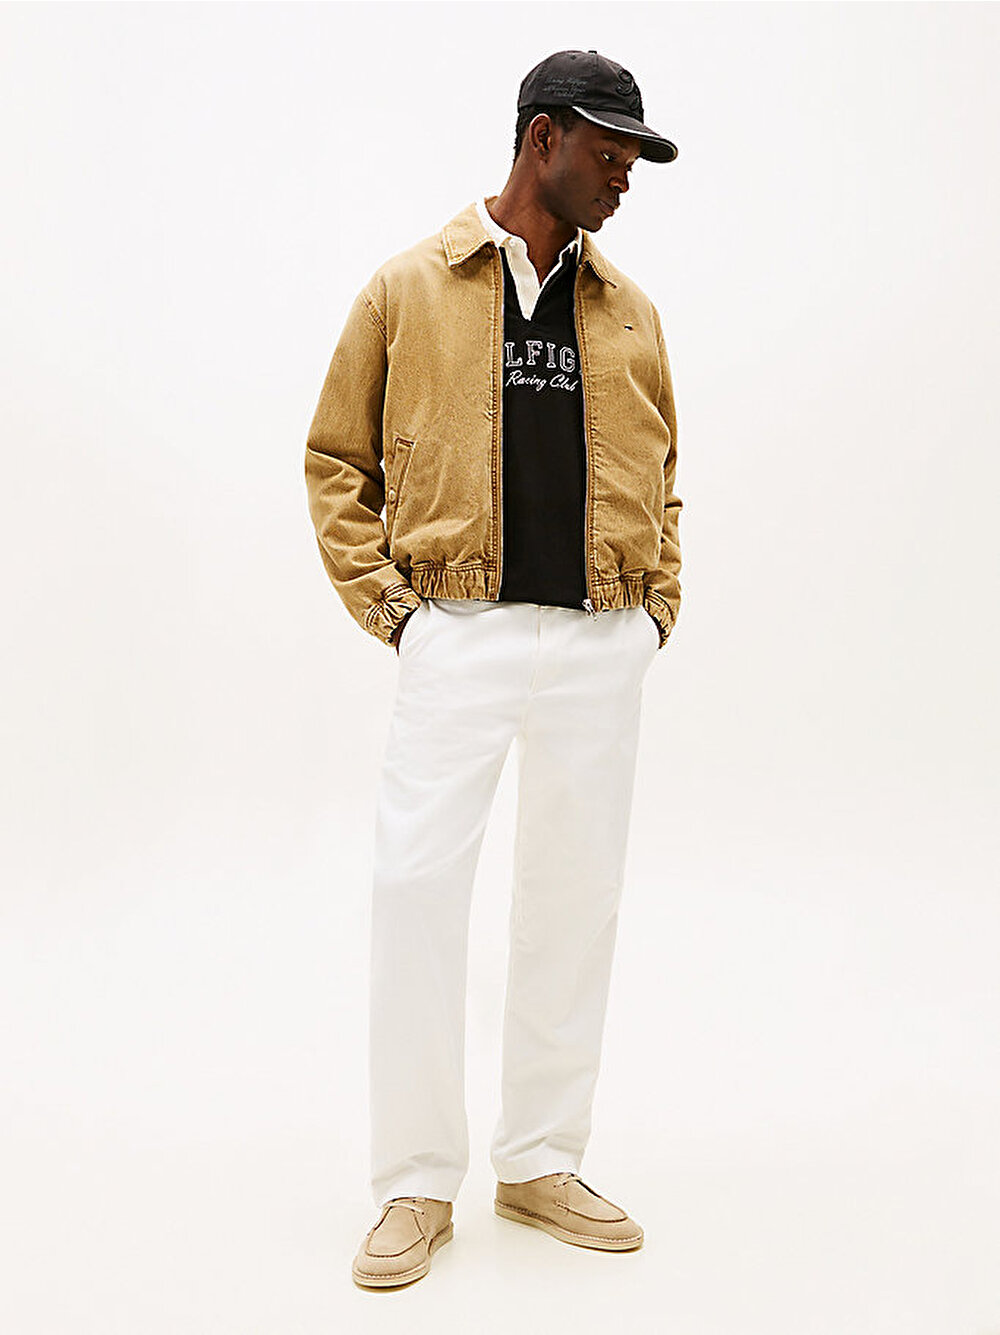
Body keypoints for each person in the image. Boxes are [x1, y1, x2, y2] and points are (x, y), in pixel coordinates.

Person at [304, 48, 682, 1289]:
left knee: (576, 900)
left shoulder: (630, 312)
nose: (624, 174)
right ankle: (416, 1183)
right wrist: (397, 613)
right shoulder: (409, 287)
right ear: (540, 139)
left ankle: (540, 1160)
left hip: (598, 639)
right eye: (608, 150)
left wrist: (653, 611)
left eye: (634, 155)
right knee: (416, 891)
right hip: (455, 630)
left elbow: (665, 473)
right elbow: (335, 459)